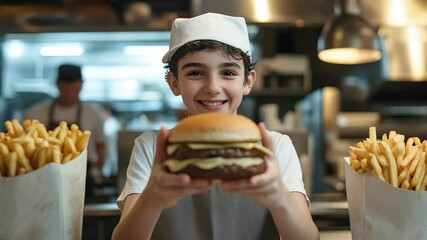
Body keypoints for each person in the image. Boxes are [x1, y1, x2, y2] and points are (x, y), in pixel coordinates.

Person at [112, 13, 319, 240]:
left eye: (228, 73)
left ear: (247, 82)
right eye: (196, 73)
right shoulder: (151, 147)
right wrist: (153, 198)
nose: (212, 87)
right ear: (174, 83)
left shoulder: (276, 146)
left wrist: (278, 197)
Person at [23, 63, 106, 199]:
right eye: (66, 90)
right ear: (58, 85)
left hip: (83, 178)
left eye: (75, 91)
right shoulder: (35, 114)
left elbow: (101, 145)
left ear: (81, 86)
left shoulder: (94, 113)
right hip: (42, 178)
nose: (71, 95)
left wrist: (98, 169)